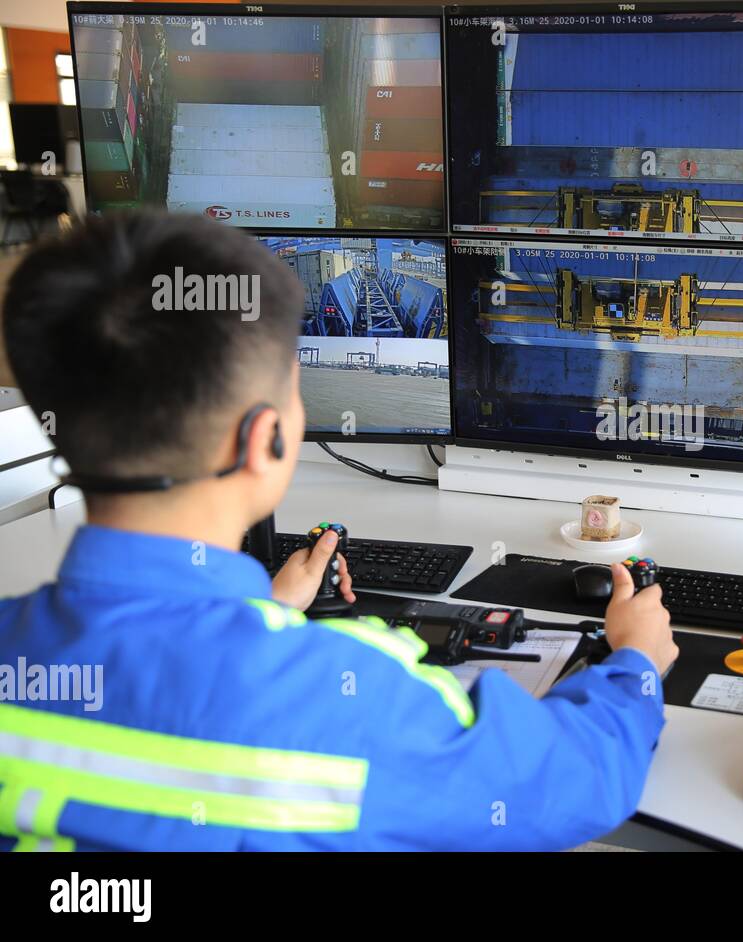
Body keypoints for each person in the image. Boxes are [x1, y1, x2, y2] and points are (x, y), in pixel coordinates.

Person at [0, 212, 678, 851]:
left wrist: (260, 611)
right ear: (263, 439)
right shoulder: (347, 696)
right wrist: (637, 663)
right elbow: (579, 778)